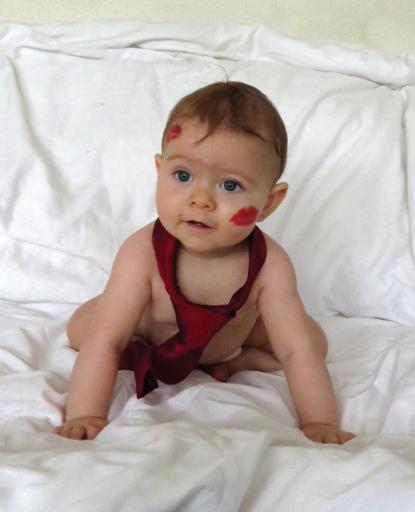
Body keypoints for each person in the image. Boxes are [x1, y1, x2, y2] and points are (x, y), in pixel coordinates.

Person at [53, 81, 355, 444]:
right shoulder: (141, 252)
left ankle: (237, 361)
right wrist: (85, 414)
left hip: (228, 340)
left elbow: (296, 350)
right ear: (159, 170)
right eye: (183, 176)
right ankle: (165, 358)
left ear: (269, 203)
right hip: (149, 335)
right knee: (84, 329)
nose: (200, 200)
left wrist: (319, 423)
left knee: (311, 341)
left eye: (230, 186)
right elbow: (107, 338)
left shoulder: (270, 265)